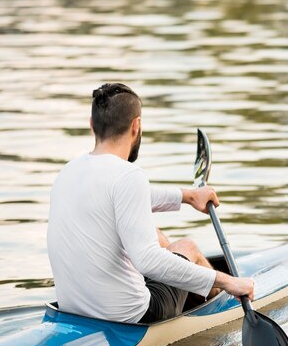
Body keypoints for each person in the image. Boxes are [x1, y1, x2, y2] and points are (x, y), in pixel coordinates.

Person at [47, 82, 254, 324]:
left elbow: (127, 197)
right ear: (136, 126)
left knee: (154, 235)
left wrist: (186, 196)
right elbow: (148, 261)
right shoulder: (128, 175)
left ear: (92, 125)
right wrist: (228, 281)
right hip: (131, 316)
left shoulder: (68, 172)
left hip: (74, 310)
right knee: (188, 247)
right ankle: (218, 305)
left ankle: (192, 292)